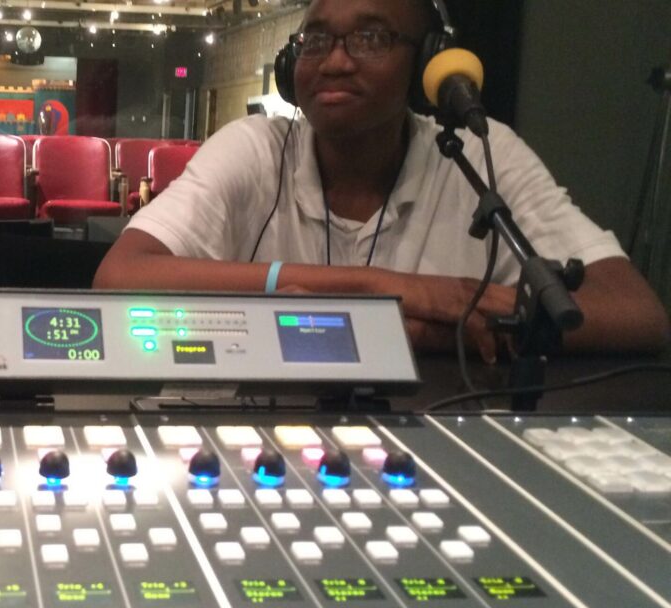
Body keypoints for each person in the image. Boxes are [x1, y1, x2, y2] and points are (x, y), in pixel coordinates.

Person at [94, 0, 669, 361]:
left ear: (426, 63)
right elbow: (120, 277)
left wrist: (434, 330)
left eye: (370, 38)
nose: (335, 62)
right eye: (316, 40)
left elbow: (636, 312)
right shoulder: (256, 147)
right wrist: (380, 291)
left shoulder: (481, 153)